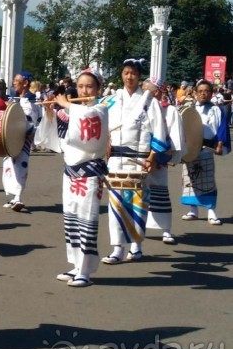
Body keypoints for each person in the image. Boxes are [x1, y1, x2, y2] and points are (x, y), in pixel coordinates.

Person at [35, 69, 108, 287]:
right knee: (72, 218)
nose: (84, 90)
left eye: (89, 86)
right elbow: (58, 138)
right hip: (71, 171)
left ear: (98, 89)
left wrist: (66, 105)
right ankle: (76, 265)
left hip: (90, 172)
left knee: (87, 219)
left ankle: (86, 270)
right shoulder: (72, 111)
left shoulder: (99, 109)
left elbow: (87, 121)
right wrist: (50, 113)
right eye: (81, 86)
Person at [100, 58, 169, 264]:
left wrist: (151, 157)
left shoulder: (150, 101)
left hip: (139, 159)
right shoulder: (111, 100)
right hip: (115, 159)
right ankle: (117, 248)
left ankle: (136, 246)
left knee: (138, 203)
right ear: (121, 75)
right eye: (126, 73)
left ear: (139, 77)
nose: (129, 77)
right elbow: (101, 125)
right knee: (116, 204)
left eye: (133, 73)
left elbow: (159, 131)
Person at [180, 80, 230, 225]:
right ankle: (193, 210)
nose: (203, 94)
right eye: (200, 91)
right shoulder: (189, 109)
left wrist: (220, 144)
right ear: (195, 93)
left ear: (211, 93)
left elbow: (222, 129)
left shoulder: (217, 110)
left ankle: (211, 211)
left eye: (207, 91)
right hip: (190, 149)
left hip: (207, 149)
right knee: (190, 180)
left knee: (208, 180)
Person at [146, 78, 185, 244]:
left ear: (156, 92)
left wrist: (167, 157)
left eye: (146, 90)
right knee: (138, 195)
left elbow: (175, 137)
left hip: (159, 159)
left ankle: (166, 230)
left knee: (160, 193)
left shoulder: (170, 111)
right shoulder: (140, 108)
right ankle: (137, 228)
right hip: (140, 159)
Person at [1, 72, 40, 211]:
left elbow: (32, 119)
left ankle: (18, 196)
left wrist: (30, 131)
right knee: (8, 165)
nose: (14, 83)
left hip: (23, 137)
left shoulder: (30, 99)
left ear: (25, 83)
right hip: (11, 137)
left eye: (17, 80)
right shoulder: (15, 97)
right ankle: (12, 197)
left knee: (20, 166)